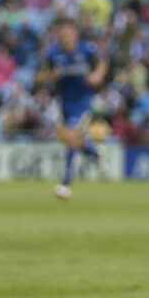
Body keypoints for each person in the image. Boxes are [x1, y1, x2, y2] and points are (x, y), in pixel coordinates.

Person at [37, 18, 107, 199]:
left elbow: (102, 62)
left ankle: (65, 184)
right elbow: (39, 76)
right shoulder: (52, 54)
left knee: (70, 136)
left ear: (75, 34)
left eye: (68, 32)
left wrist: (97, 75)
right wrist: (48, 76)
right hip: (64, 104)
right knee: (73, 139)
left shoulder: (86, 50)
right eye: (61, 33)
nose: (65, 36)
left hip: (83, 102)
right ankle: (94, 152)